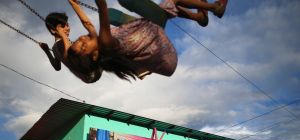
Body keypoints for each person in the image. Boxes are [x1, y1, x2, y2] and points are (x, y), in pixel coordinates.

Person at [42, 0, 228, 82]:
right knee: (124, 9)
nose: (81, 38)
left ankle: (199, 18)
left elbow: (88, 26)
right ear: (94, 54)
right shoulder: (105, 43)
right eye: (83, 44)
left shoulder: (102, 49)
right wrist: (65, 35)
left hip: (153, 45)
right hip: (154, 41)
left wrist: (74, 4)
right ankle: (215, 7)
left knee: (160, 10)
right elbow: (102, 6)